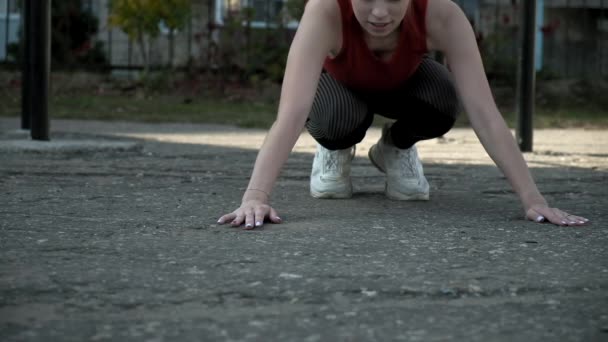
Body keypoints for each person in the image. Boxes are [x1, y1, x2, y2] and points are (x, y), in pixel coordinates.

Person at [217, 0, 589, 229]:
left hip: (402, 86)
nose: (380, 12)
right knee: (336, 118)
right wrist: (256, 195)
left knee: (444, 97)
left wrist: (532, 199)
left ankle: (394, 146)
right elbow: (291, 112)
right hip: (340, 92)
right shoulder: (325, 11)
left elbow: (486, 113)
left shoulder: (441, 14)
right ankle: (335, 148)